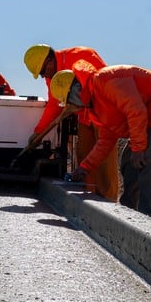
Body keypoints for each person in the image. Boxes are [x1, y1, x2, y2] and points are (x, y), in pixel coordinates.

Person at [49, 62, 151, 221]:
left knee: (147, 161)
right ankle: (129, 212)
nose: (73, 107)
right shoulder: (96, 107)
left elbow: (135, 110)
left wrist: (138, 148)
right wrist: (84, 167)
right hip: (145, 116)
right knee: (128, 161)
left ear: (76, 91)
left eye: (70, 102)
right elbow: (105, 141)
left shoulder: (105, 80)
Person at [23, 44, 119, 201]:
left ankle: (109, 202)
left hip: (103, 113)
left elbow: (100, 85)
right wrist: (39, 132)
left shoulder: (82, 55)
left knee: (105, 161)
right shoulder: (51, 76)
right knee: (84, 157)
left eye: (42, 72)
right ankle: (88, 200)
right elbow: (54, 104)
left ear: (49, 61)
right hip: (84, 117)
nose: (42, 76)